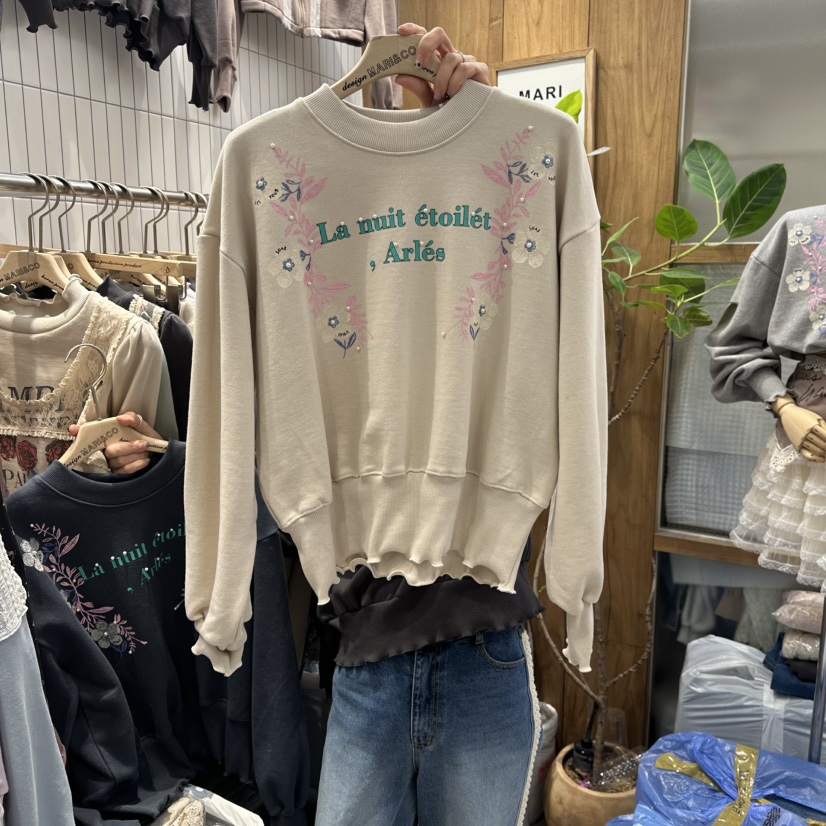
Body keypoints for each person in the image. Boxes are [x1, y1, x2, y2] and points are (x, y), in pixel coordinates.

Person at [87, 25, 538, 825]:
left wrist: (469, 131)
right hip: (364, 644)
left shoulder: (525, 158)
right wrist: (220, 596)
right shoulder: (260, 165)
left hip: (487, 634)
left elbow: (554, 365)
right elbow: (226, 400)